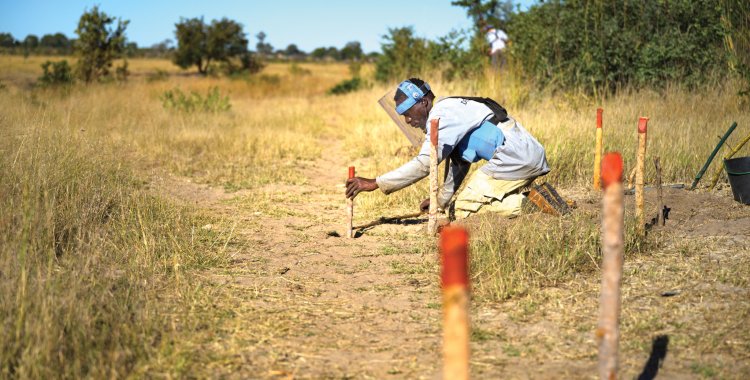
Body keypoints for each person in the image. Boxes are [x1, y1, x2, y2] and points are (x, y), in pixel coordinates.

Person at [346, 78, 550, 219]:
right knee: (460, 206)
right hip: (524, 153)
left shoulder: (441, 115)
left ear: (424, 102)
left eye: (408, 113)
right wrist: (440, 201)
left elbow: (425, 164)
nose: (408, 120)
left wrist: (375, 183)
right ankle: (542, 199)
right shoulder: (449, 110)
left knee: (462, 210)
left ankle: (534, 206)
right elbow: (460, 163)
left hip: (513, 157)